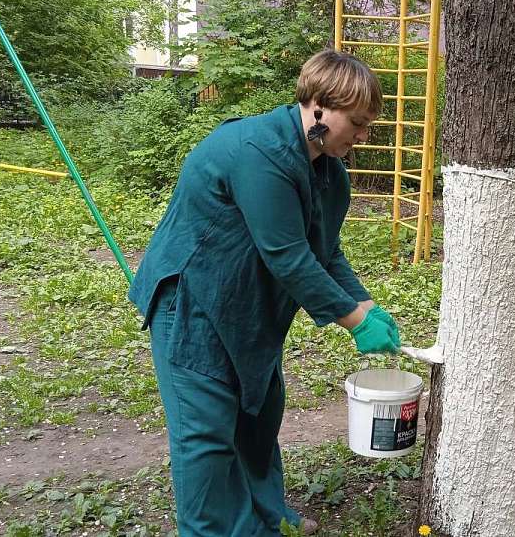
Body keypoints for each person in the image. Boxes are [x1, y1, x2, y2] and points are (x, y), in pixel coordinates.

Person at [128, 49, 401, 536]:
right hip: (194, 304)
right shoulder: (259, 152)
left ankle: (267, 519)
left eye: (368, 125)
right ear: (319, 106)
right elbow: (286, 254)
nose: (362, 136)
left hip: (249, 308)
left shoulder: (327, 170)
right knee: (207, 434)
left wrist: (366, 305)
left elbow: (326, 252)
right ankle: (213, 530)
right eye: (356, 123)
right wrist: (352, 320)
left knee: (258, 417)